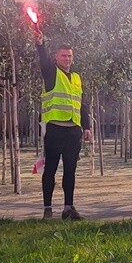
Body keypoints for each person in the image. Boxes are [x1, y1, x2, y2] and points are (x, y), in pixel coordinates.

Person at [36, 33, 92, 220]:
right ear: (56, 57)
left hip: (72, 131)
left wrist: (87, 126)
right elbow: (43, 62)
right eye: (63, 56)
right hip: (54, 129)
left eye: (69, 56)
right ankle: (47, 208)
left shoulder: (76, 78)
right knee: (50, 169)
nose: (67, 59)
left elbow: (81, 103)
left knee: (70, 170)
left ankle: (69, 207)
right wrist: (40, 44)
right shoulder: (52, 73)